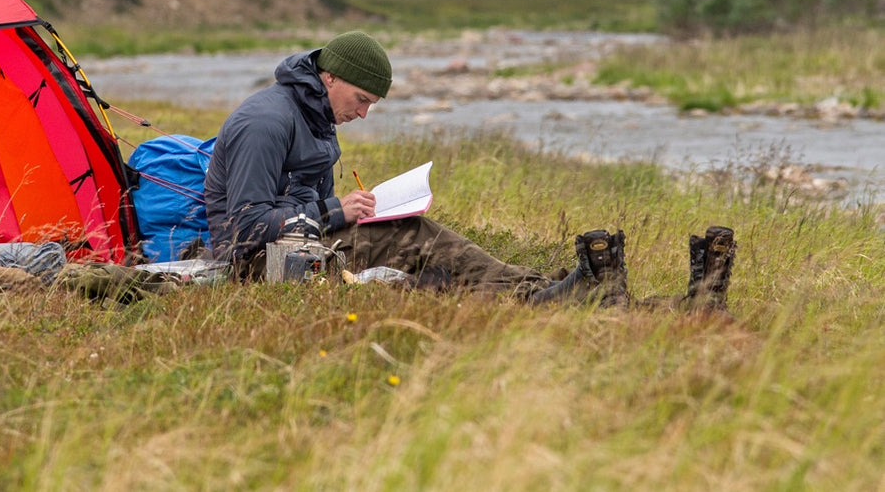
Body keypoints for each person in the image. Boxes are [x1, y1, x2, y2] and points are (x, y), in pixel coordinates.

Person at [202, 31, 736, 311]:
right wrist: (333, 210)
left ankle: (565, 288)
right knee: (411, 235)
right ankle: (542, 294)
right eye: (362, 100)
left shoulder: (313, 112)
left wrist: (339, 213)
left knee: (422, 254)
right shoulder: (265, 123)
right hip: (258, 267)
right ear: (330, 77)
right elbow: (243, 230)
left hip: (303, 249)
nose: (363, 114)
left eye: (372, 105)